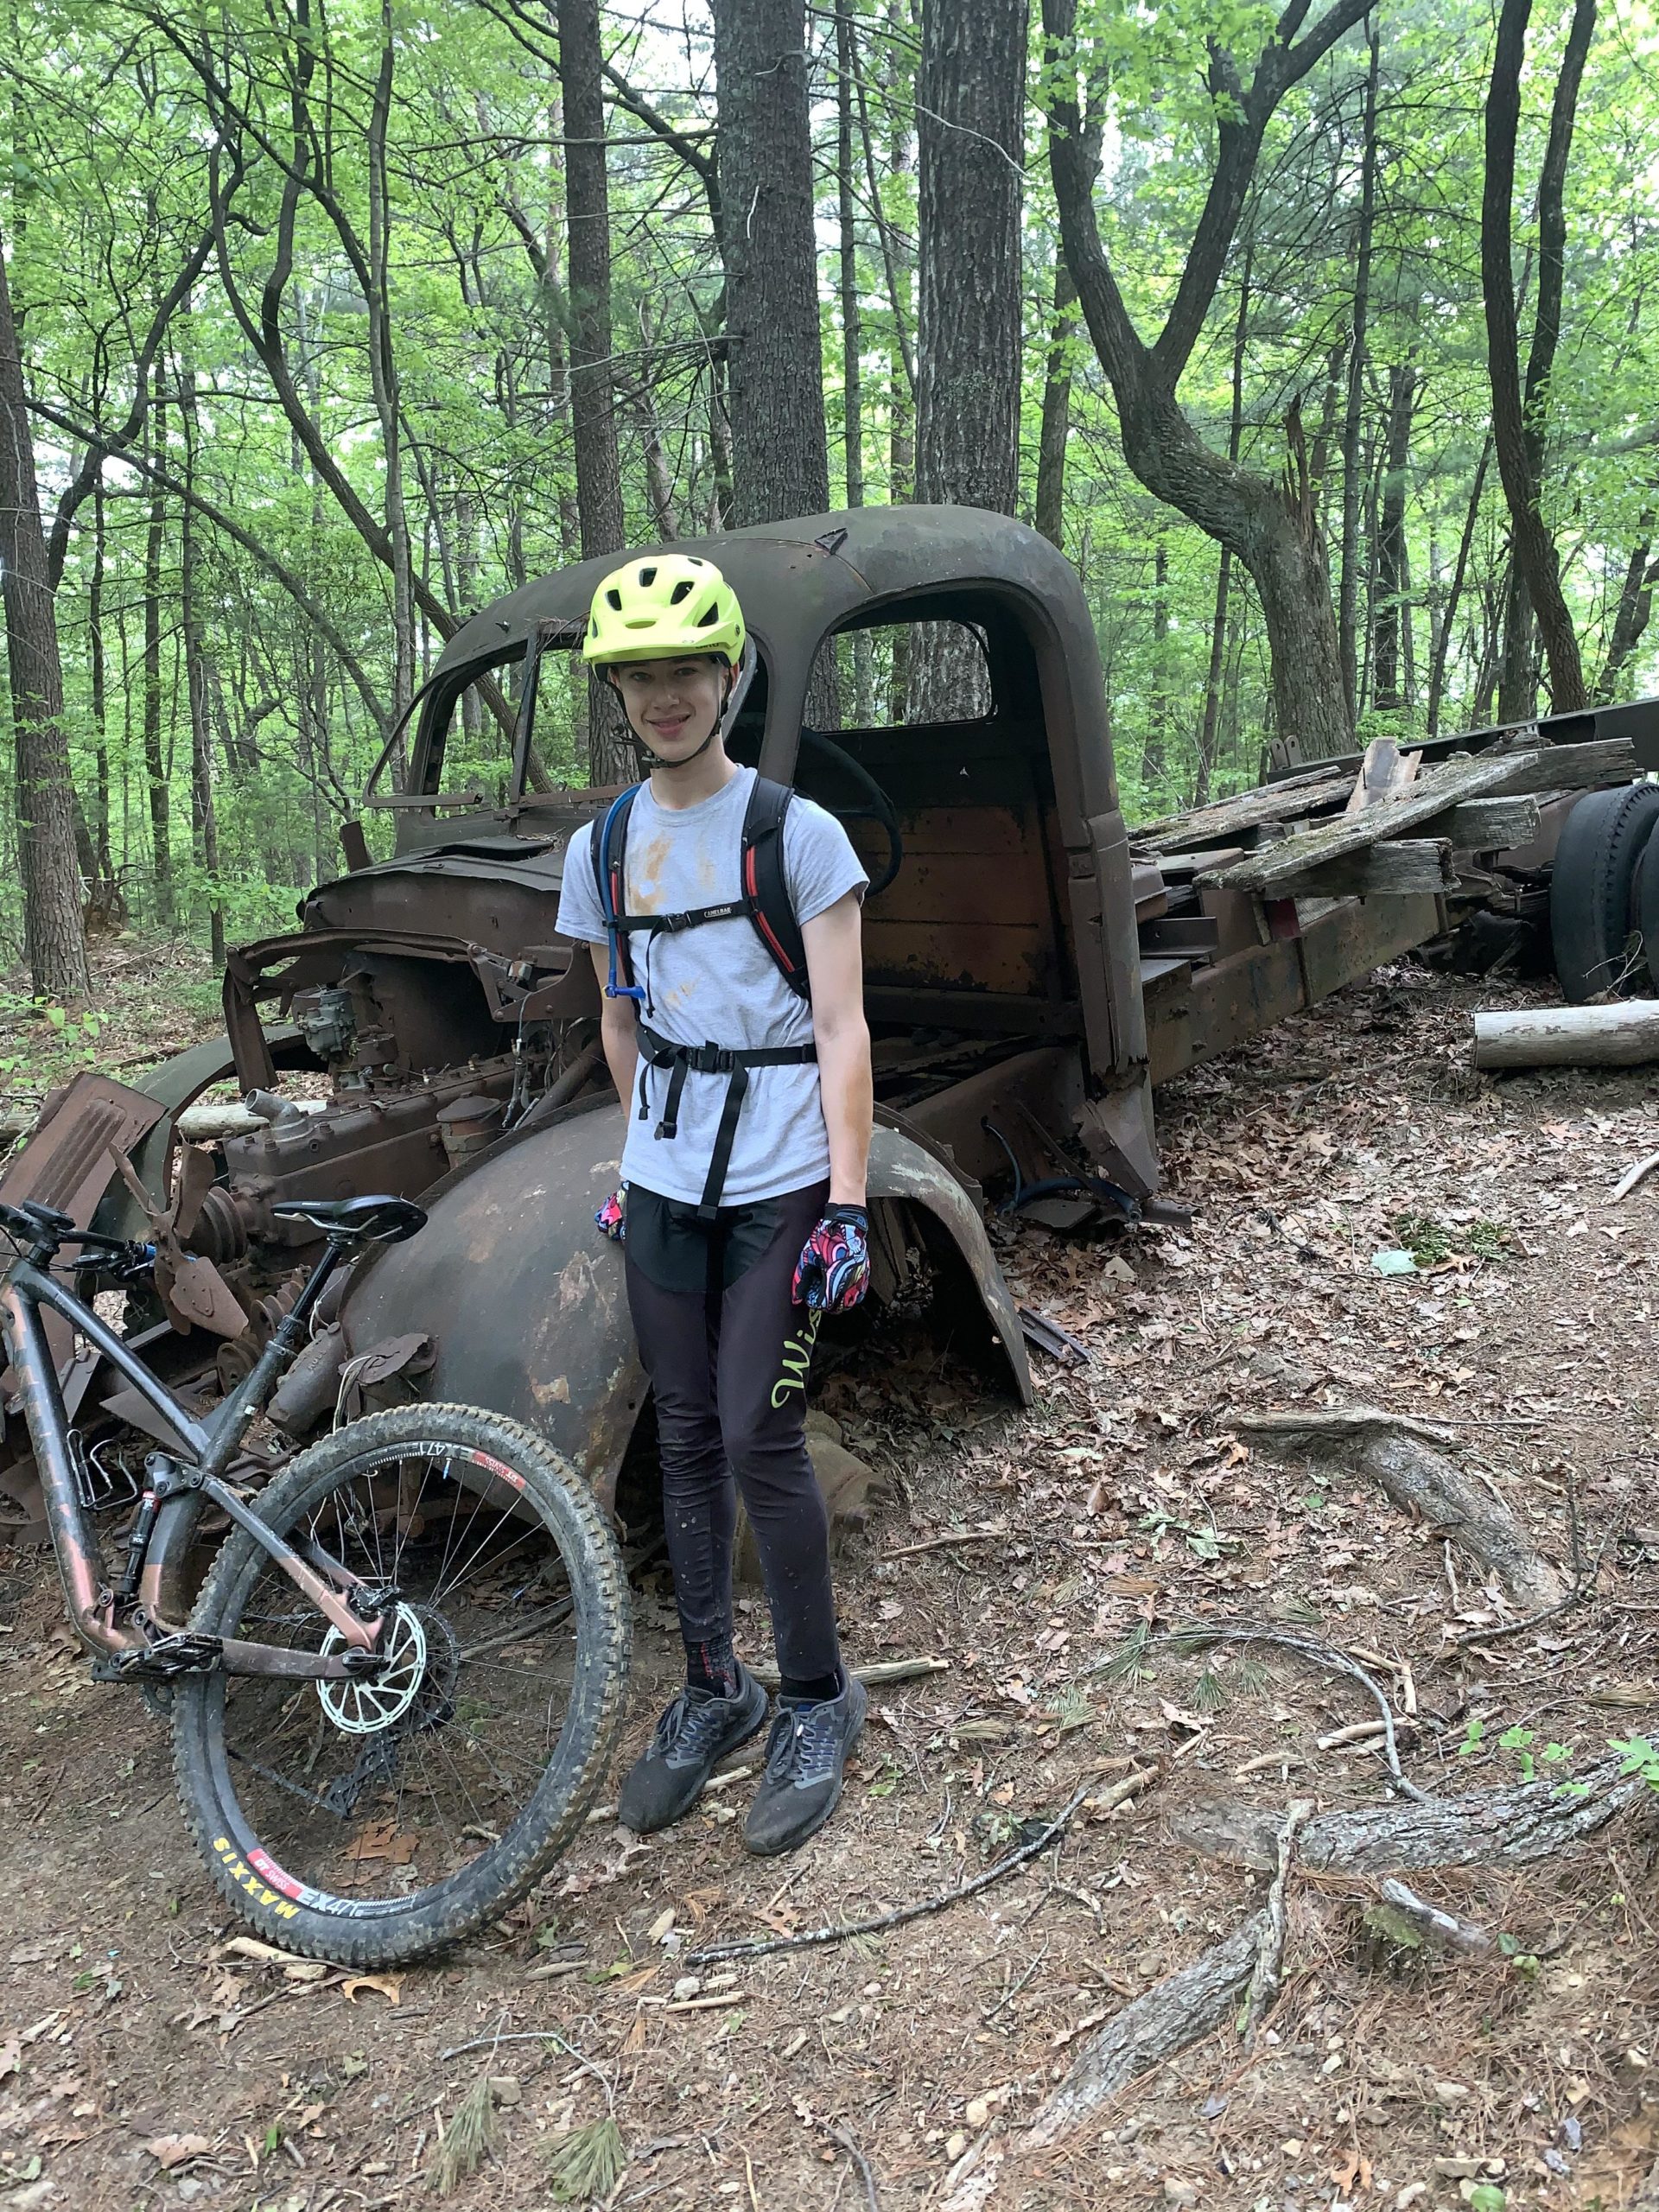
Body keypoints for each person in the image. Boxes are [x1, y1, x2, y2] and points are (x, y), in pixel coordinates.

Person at [554, 552, 875, 1858]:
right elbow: (620, 1017)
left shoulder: (797, 833)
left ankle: (815, 1695)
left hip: (786, 1173)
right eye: (639, 676)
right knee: (681, 1434)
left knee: (757, 1432)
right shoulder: (606, 846)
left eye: (685, 669)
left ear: (728, 677)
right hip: (670, 1181)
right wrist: (641, 1162)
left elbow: (845, 1027)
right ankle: (714, 1688)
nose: (664, 695)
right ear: (620, 695)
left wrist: (847, 1203)